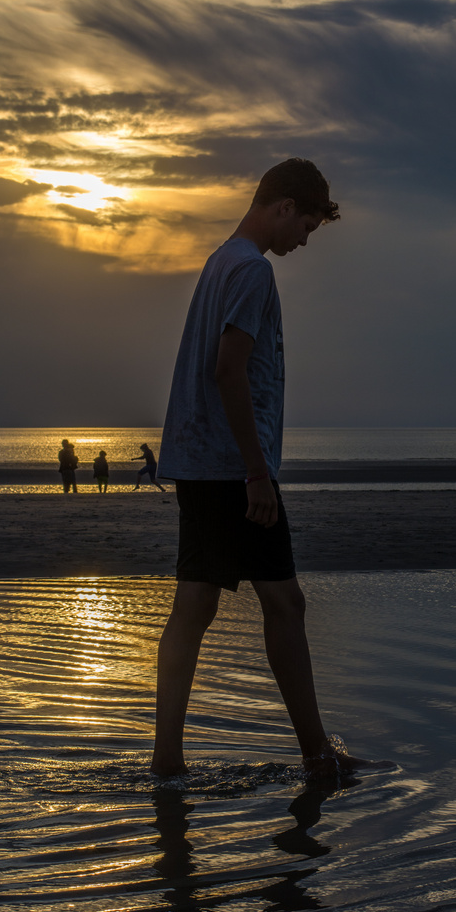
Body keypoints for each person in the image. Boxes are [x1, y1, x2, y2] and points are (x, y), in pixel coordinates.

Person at [153, 158, 383, 782]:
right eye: (306, 225)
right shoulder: (251, 271)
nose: (304, 240)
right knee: (284, 602)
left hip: (201, 463)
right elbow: (229, 370)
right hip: (231, 468)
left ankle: (166, 764)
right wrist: (257, 472)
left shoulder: (219, 261)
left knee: (197, 606)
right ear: (283, 207)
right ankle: (317, 758)